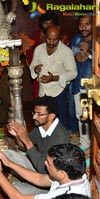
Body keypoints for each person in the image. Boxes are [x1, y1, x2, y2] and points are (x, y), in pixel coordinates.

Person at [6, 96, 69, 193]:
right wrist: (17, 136)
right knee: (8, 155)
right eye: (34, 113)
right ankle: (31, 182)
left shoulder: (60, 136)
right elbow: (23, 147)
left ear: (51, 116)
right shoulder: (41, 126)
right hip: (39, 168)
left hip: (51, 181)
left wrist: (26, 140)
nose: (34, 117)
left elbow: (44, 169)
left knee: (15, 189)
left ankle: (36, 187)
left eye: (40, 114)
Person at [0, 143, 91, 199]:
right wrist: (9, 163)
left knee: (14, 191)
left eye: (48, 163)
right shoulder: (75, 174)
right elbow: (40, 179)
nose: (45, 163)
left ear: (62, 173)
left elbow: (17, 197)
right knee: (16, 188)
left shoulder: (63, 195)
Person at [29, 25, 77, 129]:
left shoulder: (66, 52)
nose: (51, 42)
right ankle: (45, 142)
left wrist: (54, 78)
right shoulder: (38, 49)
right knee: (41, 120)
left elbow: (73, 73)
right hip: (43, 92)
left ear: (60, 38)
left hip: (59, 92)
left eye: (54, 40)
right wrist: (35, 69)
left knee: (60, 121)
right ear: (44, 36)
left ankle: (62, 144)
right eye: (48, 39)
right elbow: (32, 66)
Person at [26, 11, 69, 101]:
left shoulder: (62, 36)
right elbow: (29, 58)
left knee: (59, 107)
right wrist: (36, 69)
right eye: (45, 23)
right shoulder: (35, 37)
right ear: (41, 24)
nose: (48, 26)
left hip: (57, 80)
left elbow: (68, 61)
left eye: (50, 23)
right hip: (40, 79)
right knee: (40, 105)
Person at [70, 15, 93, 154]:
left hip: (94, 85)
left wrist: (89, 54)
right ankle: (85, 143)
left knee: (95, 117)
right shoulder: (76, 39)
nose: (83, 27)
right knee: (83, 115)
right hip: (79, 84)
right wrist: (75, 57)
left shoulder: (98, 40)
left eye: (87, 24)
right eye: (81, 24)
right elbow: (70, 56)